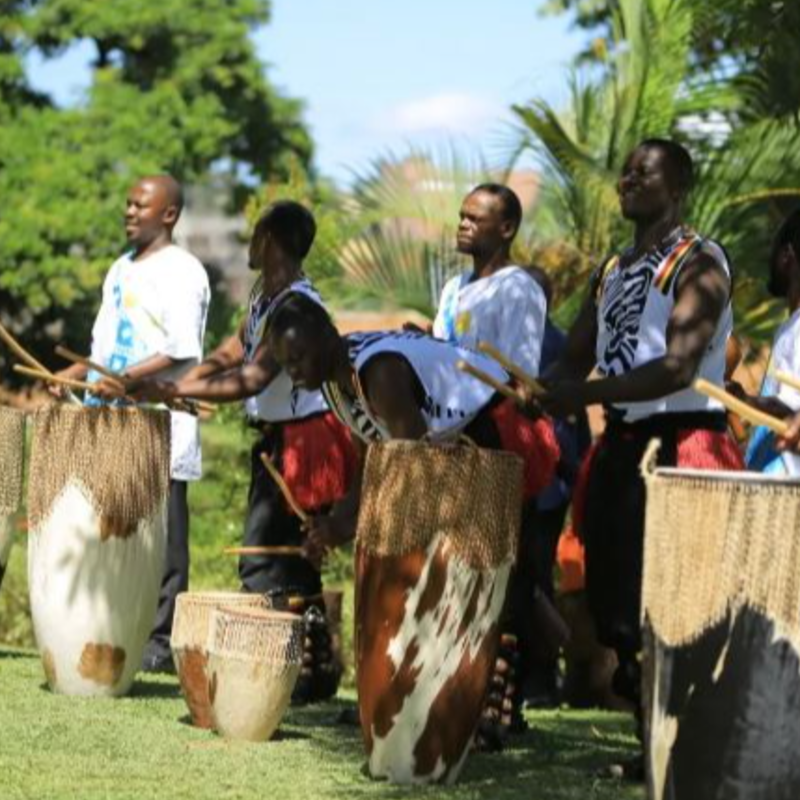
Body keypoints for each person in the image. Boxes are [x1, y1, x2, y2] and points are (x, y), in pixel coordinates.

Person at [540, 139, 744, 779]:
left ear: (677, 187)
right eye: (625, 171)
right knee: (620, 605)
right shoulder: (613, 269)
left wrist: (584, 394)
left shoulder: (700, 261)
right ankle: (652, 744)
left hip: (684, 446)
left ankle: (691, 750)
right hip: (624, 447)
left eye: (644, 172)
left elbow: (678, 366)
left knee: (680, 604)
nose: (628, 179)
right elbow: (574, 356)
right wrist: (538, 389)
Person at [133, 201, 355, 702]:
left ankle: (293, 671)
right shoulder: (264, 297)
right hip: (280, 440)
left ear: (269, 240)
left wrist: (175, 390)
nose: (249, 243)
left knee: (271, 558)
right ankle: (310, 673)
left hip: (304, 442)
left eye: (256, 234)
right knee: (286, 558)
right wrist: (186, 384)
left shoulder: (295, 306)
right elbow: (232, 353)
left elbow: (252, 378)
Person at [53, 175, 210, 673]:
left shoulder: (184, 271)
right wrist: (72, 375)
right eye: (127, 203)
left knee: (162, 538)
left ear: (169, 214)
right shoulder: (120, 268)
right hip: (111, 422)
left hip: (160, 423)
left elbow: (180, 349)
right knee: (112, 532)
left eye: (140, 205)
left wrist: (124, 381)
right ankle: (112, 627)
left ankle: (159, 640)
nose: (129, 211)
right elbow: (101, 345)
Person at [728, 209, 800, 475]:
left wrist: (746, 401)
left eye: (775, 248)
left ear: (787, 256)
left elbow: (791, 406)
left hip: (786, 478)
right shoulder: (789, 326)